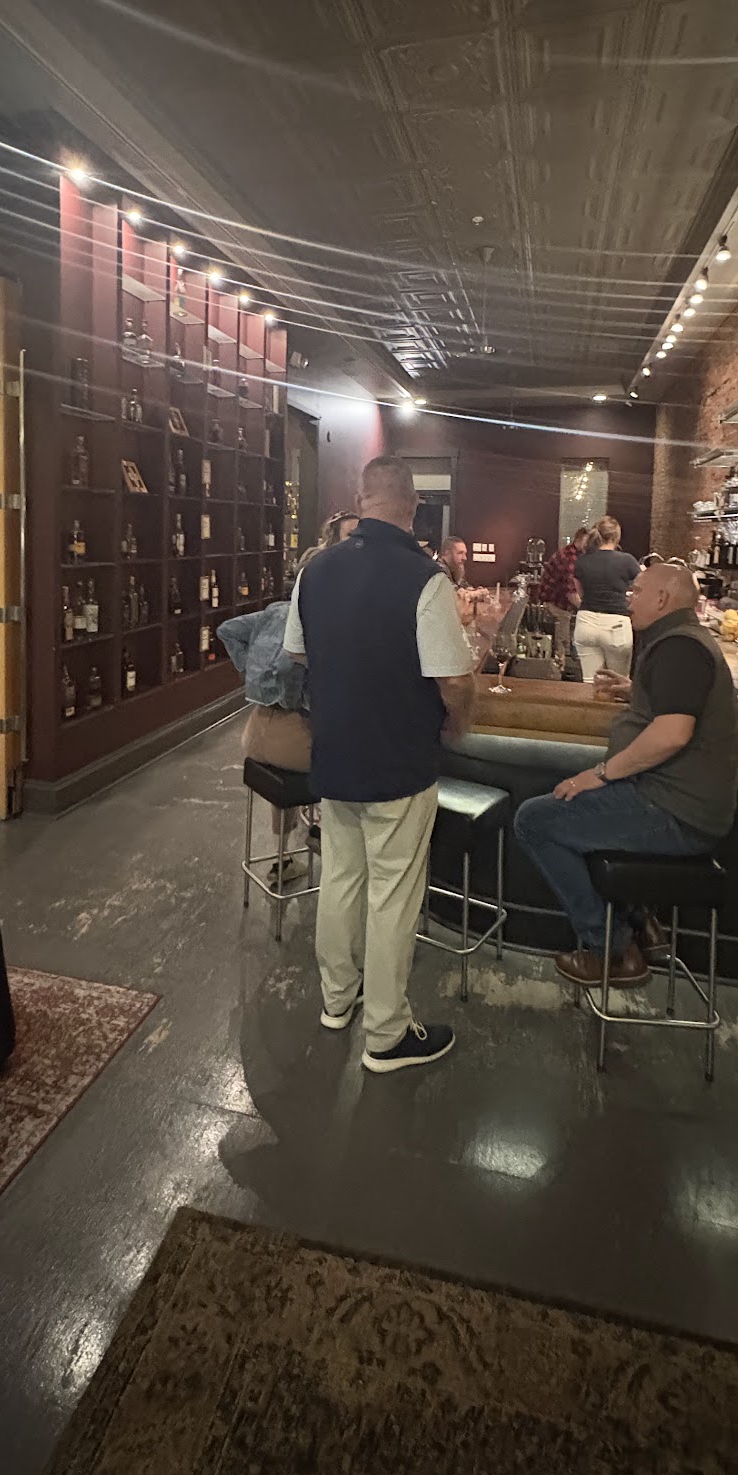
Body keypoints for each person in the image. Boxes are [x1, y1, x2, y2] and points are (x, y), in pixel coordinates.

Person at [283, 456, 478, 1074]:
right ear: (413, 506)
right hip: (399, 757)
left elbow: (297, 653)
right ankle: (387, 1035)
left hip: (335, 749)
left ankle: (337, 1001)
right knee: (393, 894)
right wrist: (457, 722)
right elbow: (453, 679)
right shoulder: (426, 578)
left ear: (360, 497)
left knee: (342, 878)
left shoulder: (315, 570)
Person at [513, 562, 738, 991]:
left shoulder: (679, 647)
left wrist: (599, 774)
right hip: (673, 801)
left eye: (637, 591)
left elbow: (673, 733)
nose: (628, 599)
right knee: (576, 813)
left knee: (535, 821)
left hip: (677, 813)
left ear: (663, 599)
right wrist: (638, 691)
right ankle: (640, 919)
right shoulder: (681, 640)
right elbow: (678, 701)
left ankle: (612, 949)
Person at [219, 551, 317, 887]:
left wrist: (252, 673)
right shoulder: (316, 620)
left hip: (255, 736)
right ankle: (327, 836)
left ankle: (283, 856)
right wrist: (289, 696)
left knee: (289, 773)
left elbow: (227, 630)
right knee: (354, 756)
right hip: (292, 742)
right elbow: (290, 665)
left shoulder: (276, 610)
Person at [569, 515, 641, 682]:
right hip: (617, 625)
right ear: (616, 537)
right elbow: (643, 589)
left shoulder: (582, 561)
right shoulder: (627, 560)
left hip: (586, 622)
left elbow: (581, 594)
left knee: (590, 682)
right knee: (618, 683)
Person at [534, 528, 590, 674]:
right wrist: (588, 609)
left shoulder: (575, 554)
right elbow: (570, 593)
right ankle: (560, 668)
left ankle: (564, 663)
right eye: (587, 542)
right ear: (577, 540)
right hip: (555, 602)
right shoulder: (568, 558)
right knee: (562, 631)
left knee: (568, 626)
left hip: (560, 601)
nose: (589, 545)